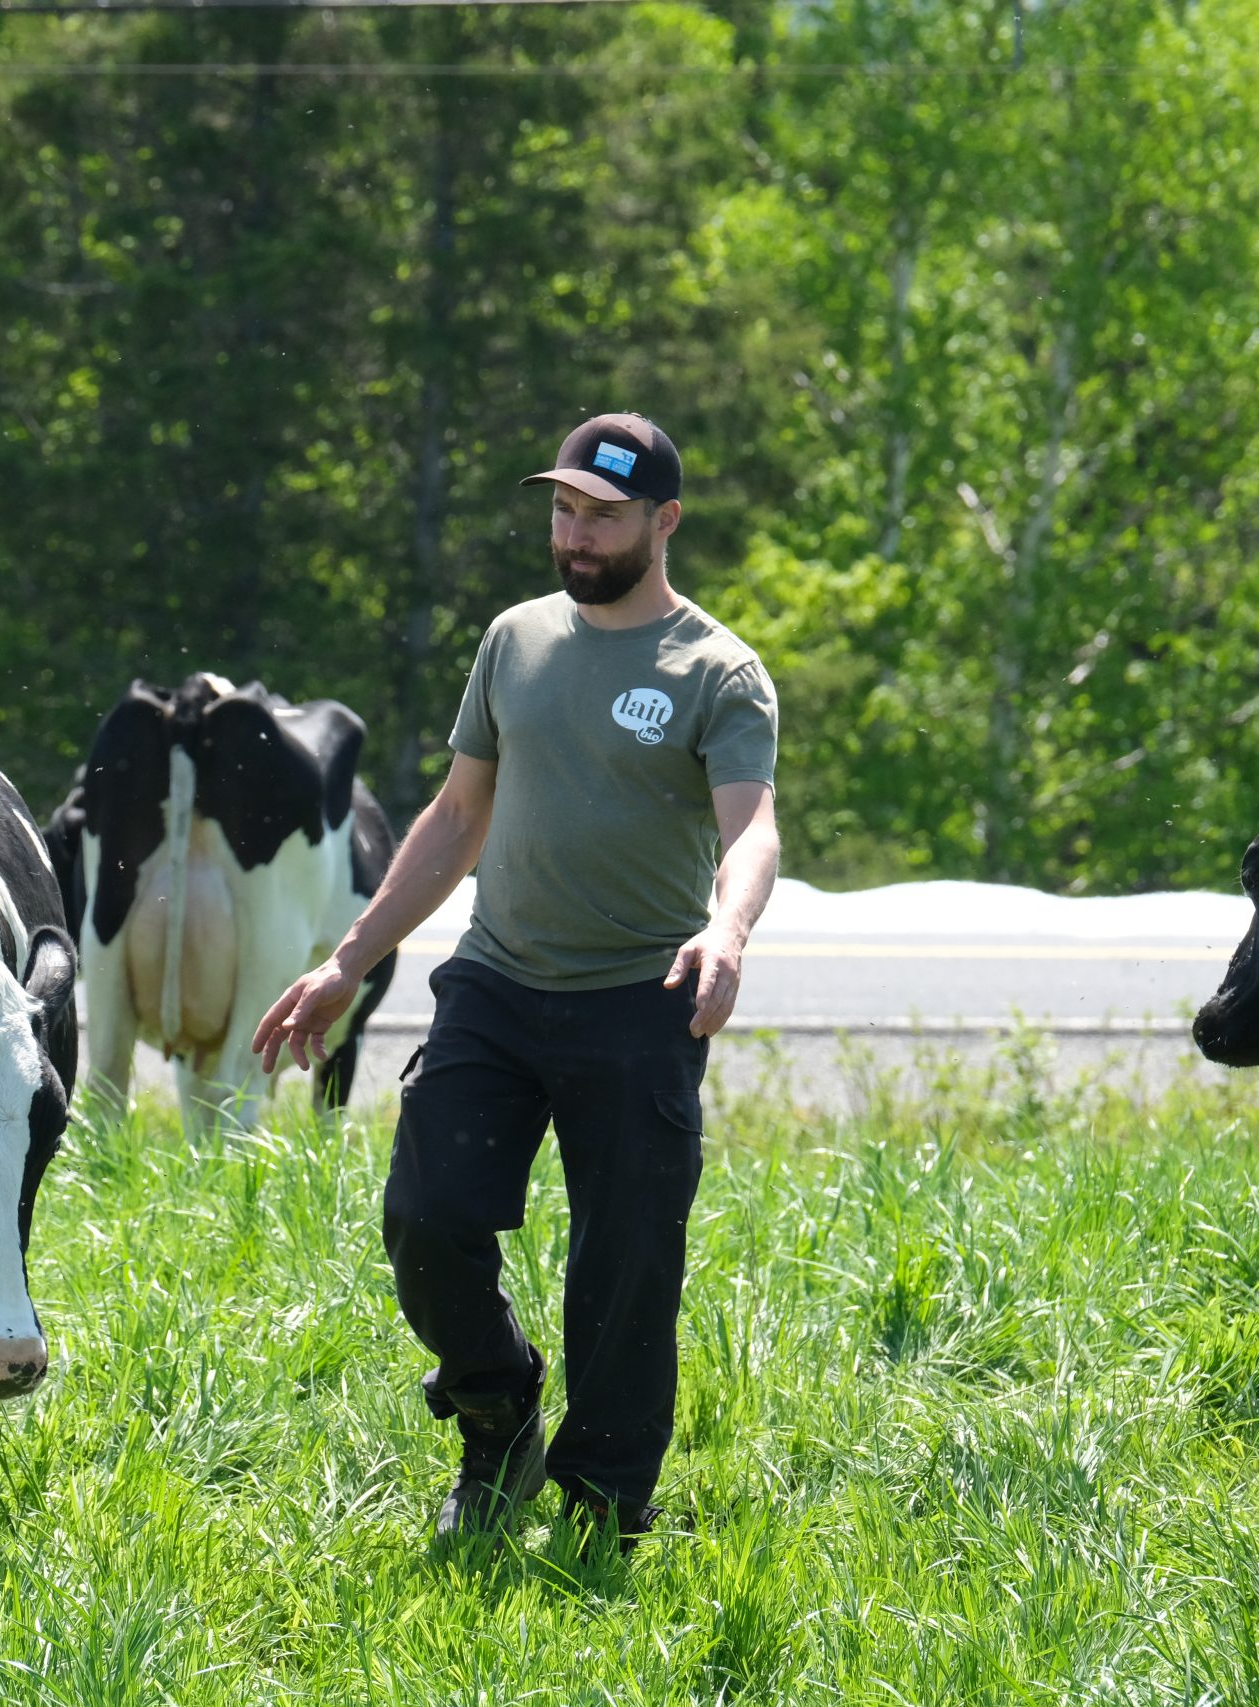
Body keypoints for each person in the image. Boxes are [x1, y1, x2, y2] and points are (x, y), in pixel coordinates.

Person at [252, 412, 780, 1544]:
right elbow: (455, 817)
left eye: (603, 515)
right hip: (493, 987)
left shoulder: (717, 672)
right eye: (563, 508)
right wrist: (350, 959)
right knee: (428, 1217)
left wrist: (727, 932)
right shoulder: (515, 640)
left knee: (625, 1270)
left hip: (641, 1002)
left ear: (664, 521)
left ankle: (602, 1506)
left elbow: (753, 830)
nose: (575, 535)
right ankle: (495, 1415)